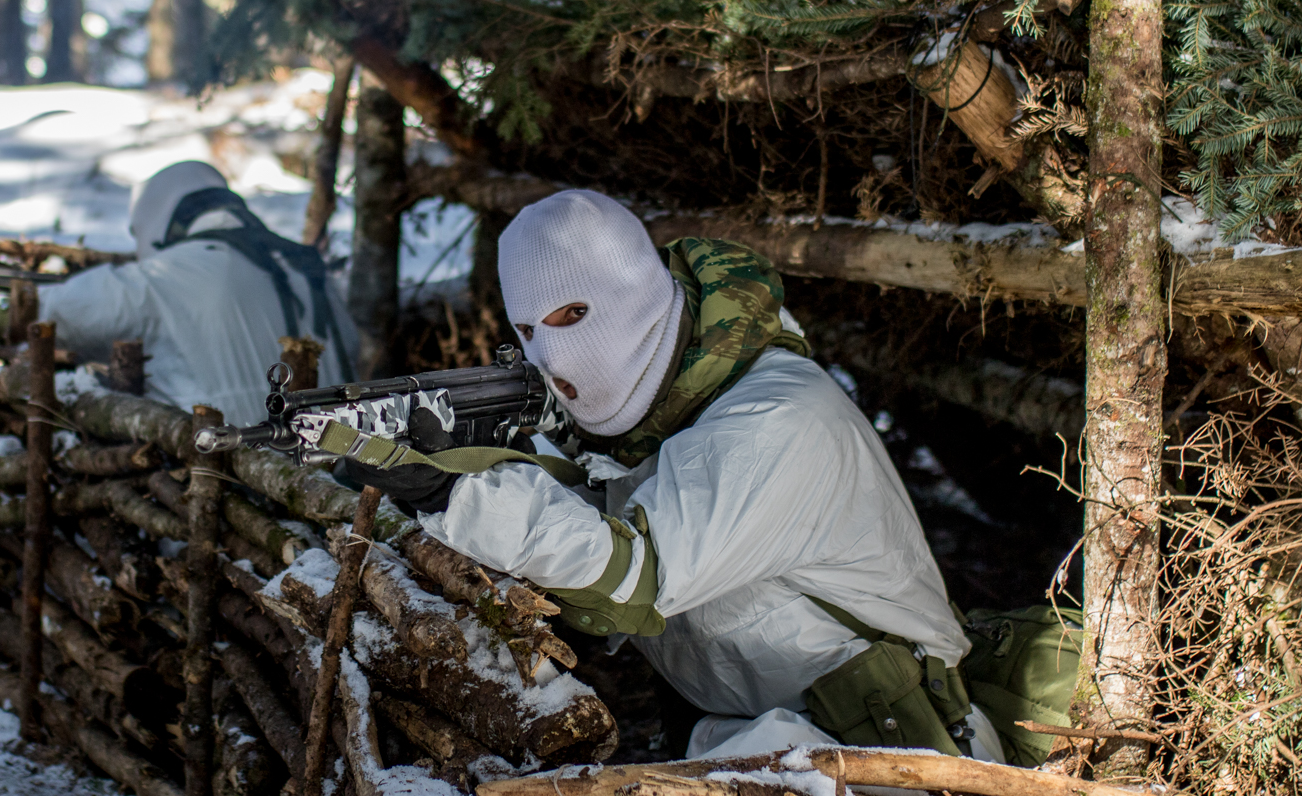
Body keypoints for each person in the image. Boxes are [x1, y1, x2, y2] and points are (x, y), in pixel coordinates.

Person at [348, 188, 1013, 762]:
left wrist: (455, 492)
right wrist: (466, 454)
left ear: (636, 294)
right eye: (529, 330)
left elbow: (633, 576)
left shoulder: (775, 419)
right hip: (771, 742)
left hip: (900, 755)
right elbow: (585, 504)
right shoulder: (655, 416)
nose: (552, 353)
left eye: (574, 315)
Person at [0, 161, 358, 425]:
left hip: (232, 488)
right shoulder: (306, 268)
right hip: (335, 481)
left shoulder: (165, 278)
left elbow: (27, 316)